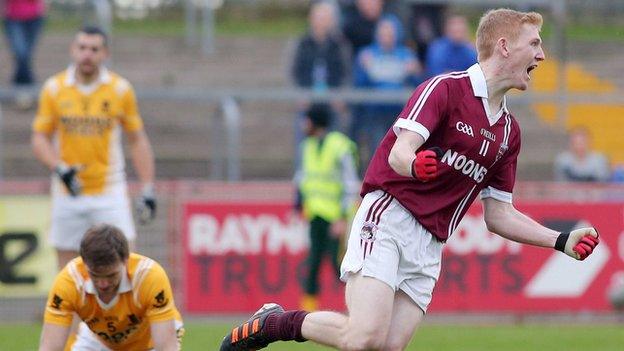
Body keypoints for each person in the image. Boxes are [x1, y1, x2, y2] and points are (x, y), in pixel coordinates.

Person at [219, 9, 601, 351]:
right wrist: (415, 165)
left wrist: (560, 240)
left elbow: (498, 214)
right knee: (364, 338)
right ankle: (275, 322)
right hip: (390, 216)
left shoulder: (508, 133)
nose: (542, 55)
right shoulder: (446, 89)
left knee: (385, 347)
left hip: (429, 245)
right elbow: (400, 151)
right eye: (534, 43)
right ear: (503, 46)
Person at [31, 26, 156, 270]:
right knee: (67, 270)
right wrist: (59, 168)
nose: (87, 54)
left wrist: (148, 188)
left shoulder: (120, 89)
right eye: (82, 48)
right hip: (68, 191)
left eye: (94, 49)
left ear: (105, 54)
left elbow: (137, 140)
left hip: (110, 190)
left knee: (124, 265)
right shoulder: (54, 88)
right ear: (72, 50)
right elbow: (39, 138)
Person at [38, 224, 183, 351]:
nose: (103, 284)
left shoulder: (149, 277)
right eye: (95, 275)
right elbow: (49, 347)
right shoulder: (69, 282)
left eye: (111, 275)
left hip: (149, 342)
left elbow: (166, 347)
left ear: (126, 259)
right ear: (84, 263)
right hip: (97, 340)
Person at [294, 104, 360, 311]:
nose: (303, 124)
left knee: (339, 265)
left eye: (307, 119)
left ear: (315, 121)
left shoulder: (340, 146)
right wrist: (299, 203)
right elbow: (304, 178)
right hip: (316, 214)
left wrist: (342, 217)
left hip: (336, 217)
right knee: (313, 264)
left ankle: (361, 306)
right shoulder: (307, 146)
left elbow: (350, 184)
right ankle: (307, 313)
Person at [351, 14, 421, 169]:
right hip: (374, 113)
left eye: (390, 33)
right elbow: (359, 85)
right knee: (377, 150)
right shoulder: (367, 54)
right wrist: (363, 68)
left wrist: (415, 72)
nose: (386, 37)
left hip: (401, 114)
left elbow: (419, 86)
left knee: (399, 150)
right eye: (383, 33)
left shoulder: (406, 55)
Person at [291, 1, 346, 160]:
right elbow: (292, 72)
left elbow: (346, 72)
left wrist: (341, 95)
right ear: (311, 18)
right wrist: (300, 94)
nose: (321, 22)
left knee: (336, 140)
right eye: (319, 17)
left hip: (331, 102)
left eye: (325, 18)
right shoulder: (302, 44)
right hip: (308, 102)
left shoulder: (339, 45)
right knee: (304, 142)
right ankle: (302, 175)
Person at [2, 0, 45, 87]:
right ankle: (27, 78)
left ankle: (19, 78)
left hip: (34, 17)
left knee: (28, 52)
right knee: (20, 51)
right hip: (13, 17)